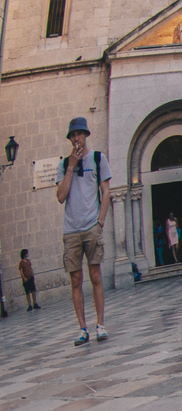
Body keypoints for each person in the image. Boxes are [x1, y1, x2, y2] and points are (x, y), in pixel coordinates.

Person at [54, 116, 111, 346]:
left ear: (86, 135)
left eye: (79, 134)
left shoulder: (98, 158)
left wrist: (100, 223)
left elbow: (105, 192)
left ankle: (100, 325)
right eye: (72, 135)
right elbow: (60, 197)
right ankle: (82, 329)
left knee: (95, 275)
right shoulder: (62, 165)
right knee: (75, 280)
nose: (76, 138)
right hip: (71, 230)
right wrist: (70, 167)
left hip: (91, 227)